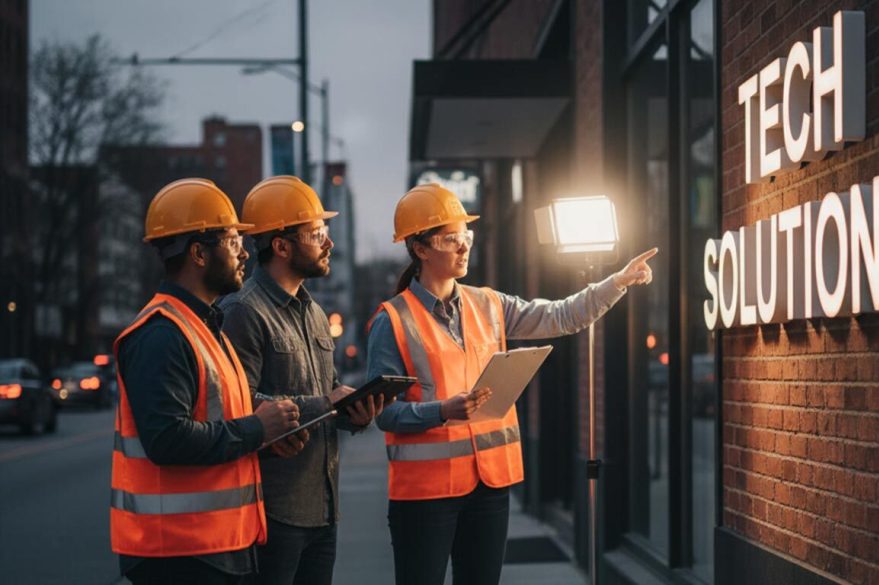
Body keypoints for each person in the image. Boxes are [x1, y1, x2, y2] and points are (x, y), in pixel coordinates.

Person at [367, 183, 658, 585]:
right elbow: (383, 413)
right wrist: (442, 411)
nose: (464, 246)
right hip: (425, 496)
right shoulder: (393, 320)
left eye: (466, 236)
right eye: (452, 238)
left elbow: (561, 317)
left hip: (489, 485)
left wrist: (617, 282)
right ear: (420, 248)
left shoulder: (489, 303)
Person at [112, 178, 302, 585]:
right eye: (234, 241)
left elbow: (219, 423)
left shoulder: (205, 326)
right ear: (198, 253)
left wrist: (266, 439)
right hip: (180, 555)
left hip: (214, 548)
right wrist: (256, 428)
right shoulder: (162, 333)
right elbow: (167, 440)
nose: (245, 253)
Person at [220, 175, 386, 585]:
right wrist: (326, 405)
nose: (329, 243)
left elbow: (327, 392)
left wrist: (354, 413)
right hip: (273, 511)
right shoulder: (243, 311)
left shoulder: (312, 311)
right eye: (317, 233)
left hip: (321, 507)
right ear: (281, 245)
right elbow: (236, 402)